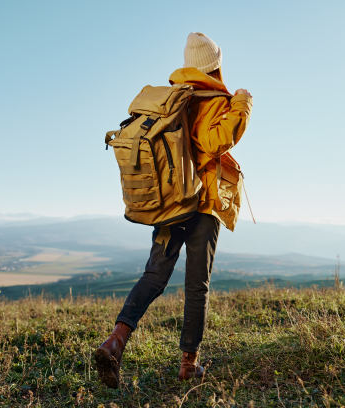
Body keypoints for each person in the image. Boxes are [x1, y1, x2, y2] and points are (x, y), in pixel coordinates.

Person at [94, 32, 253, 388]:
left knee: (154, 275)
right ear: (215, 65)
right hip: (202, 204)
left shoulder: (172, 98)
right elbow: (216, 141)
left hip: (170, 203)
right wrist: (243, 103)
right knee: (197, 286)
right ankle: (188, 364)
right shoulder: (214, 98)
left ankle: (115, 341)